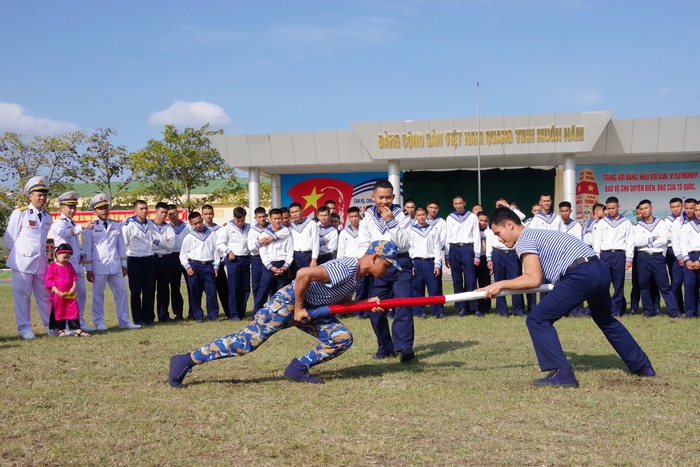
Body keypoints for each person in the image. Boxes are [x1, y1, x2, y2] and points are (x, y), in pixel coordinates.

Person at [168, 240, 399, 388]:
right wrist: (298, 308)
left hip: (311, 309)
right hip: (289, 302)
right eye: (387, 266)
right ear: (376, 258)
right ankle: (186, 359)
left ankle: (297, 368)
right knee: (246, 343)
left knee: (341, 337)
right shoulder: (347, 266)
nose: (387, 272)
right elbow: (303, 275)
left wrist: (365, 303)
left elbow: (340, 298)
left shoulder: (357, 277)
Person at [482, 207, 655, 388]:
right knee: (605, 320)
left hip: (581, 274)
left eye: (498, 233)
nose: (499, 239)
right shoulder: (540, 234)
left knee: (537, 320)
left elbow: (533, 279)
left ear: (509, 224)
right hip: (599, 269)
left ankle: (562, 374)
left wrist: (499, 284)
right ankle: (643, 366)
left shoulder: (524, 239)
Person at [357, 180, 415, 363]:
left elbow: (404, 244)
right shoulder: (367, 219)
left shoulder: (402, 216)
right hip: (377, 264)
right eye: (380, 197)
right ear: (373, 197)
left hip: (401, 263)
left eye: (388, 197)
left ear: (393, 197)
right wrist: (367, 264)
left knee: (403, 304)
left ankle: (405, 348)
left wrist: (391, 222)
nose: (384, 201)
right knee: (375, 308)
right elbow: (363, 245)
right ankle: (385, 347)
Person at [83, 194, 141, 330]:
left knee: (121, 292)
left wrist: (123, 265)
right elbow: (87, 249)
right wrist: (89, 269)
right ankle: (99, 322)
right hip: (99, 266)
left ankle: (124, 320)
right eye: (100, 208)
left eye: (106, 207)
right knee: (98, 295)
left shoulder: (115, 225)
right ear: (95, 211)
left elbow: (121, 246)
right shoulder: (90, 228)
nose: (104, 210)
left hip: (115, 265)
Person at [6, 176, 53, 339]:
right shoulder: (20, 213)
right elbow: (10, 239)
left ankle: (51, 326)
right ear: (30, 196)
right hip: (22, 262)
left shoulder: (48, 216)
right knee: (23, 297)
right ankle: (25, 329)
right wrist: (20, 255)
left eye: (44, 195)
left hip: (40, 262)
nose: (42, 198)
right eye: (38, 194)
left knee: (46, 296)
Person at [51, 191, 95, 331]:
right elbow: (64, 234)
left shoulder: (72, 222)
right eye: (69, 207)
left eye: (74, 207)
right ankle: (65, 326)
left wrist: (81, 252)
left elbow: (76, 242)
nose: (72, 210)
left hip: (76, 264)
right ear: (62, 207)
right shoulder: (59, 222)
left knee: (80, 294)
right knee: (66, 297)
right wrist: (82, 227)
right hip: (64, 266)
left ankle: (79, 322)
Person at [632, 200, 681, 318]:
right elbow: (637, 242)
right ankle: (648, 310)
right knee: (644, 285)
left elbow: (663, 241)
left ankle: (674, 311)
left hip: (658, 257)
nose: (644, 211)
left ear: (651, 208)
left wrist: (647, 241)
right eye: (642, 209)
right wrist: (653, 238)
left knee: (664, 285)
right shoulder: (638, 226)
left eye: (646, 208)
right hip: (643, 257)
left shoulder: (661, 223)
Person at [592, 196, 635, 317]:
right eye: (609, 208)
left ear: (618, 207)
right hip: (605, 255)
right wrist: (596, 257)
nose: (611, 210)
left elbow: (630, 241)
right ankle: (604, 308)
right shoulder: (602, 222)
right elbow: (597, 241)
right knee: (604, 283)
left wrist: (629, 258)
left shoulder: (626, 222)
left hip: (619, 254)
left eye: (613, 208)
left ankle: (616, 310)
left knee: (618, 284)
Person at [180, 211, 220, 322]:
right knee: (195, 292)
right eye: (195, 223)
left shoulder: (211, 233)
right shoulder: (189, 237)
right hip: (195, 265)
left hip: (208, 265)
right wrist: (187, 267)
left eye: (199, 222)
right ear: (191, 224)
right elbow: (183, 254)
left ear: (202, 220)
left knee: (211, 292)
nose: (198, 225)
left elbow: (215, 251)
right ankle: (198, 315)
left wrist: (216, 266)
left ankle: (213, 315)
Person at [445, 195, 481, 317]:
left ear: (464, 203)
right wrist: (447, 255)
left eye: (460, 203)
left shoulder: (472, 217)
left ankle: (474, 307)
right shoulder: (450, 218)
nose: (458, 206)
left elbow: (476, 235)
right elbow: (447, 237)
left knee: (470, 278)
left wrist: (477, 254)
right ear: (453, 204)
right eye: (456, 204)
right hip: (454, 248)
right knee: (457, 279)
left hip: (467, 248)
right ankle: (461, 308)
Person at [122, 200, 157, 325]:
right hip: (134, 259)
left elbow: (153, 240)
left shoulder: (151, 224)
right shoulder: (129, 224)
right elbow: (124, 244)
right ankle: (138, 318)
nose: (144, 211)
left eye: (146, 208)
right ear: (135, 211)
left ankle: (148, 317)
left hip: (148, 259)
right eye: (141, 209)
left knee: (149, 289)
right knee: (136, 291)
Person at [46, 243, 91, 337]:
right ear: (57, 254)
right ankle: (61, 330)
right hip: (59, 295)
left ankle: (77, 330)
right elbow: (50, 281)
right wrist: (57, 292)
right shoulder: (52, 266)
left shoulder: (69, 265)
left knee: (73, 310)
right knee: (59, 311)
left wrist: (73, 287)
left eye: (68, 257)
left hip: (70, 293)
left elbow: (74, 277)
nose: (66, 259)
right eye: (64, 257)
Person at [255, 208, 294, 311]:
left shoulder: (286, 234)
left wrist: (286, 266)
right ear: (270, 219)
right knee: (263, 290)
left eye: (279, 218)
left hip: (282, 265)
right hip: (269, 266)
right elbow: (263, 253)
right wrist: (270, 267)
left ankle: (277, 314)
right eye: (275, 218)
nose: (277, 221)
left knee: (280, 292)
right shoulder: (264, 235)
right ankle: (257, 313)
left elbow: (290, 252)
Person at [409, 206, 444, 319]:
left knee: (434, 288)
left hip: (430, 262)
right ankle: (420, 312)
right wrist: (411, 265)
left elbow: (437, 248)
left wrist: (437, 264)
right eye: (419, 215)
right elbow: (410, 249)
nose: (421, 217)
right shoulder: (411, 231)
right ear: (415, 216)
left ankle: (438, 311)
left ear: (426, 215)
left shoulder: (433, 230)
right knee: (417, 289)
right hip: (417, 262)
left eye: (423, 215)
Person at [217, 207, 251, 321]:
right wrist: (228, 251)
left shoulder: (248, 228)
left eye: (242, 220)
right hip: (233, 260)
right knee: (234, 287)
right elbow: (219, 244)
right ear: (233, 218)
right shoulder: (227, 228)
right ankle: (234, 314)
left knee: (245, 287)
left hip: (246, 258)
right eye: (238, 221)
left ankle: (242, 312)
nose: (240, 223)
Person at [202, 204, 230, 319]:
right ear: (202, 215)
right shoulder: (199, 230)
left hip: (219, 264)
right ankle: (209, 314)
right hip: (206, 264)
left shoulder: (220, 229)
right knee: (209, 292)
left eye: (210, 214)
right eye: (206, 214)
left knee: (223, 290)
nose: (208, 216)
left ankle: (229, 313)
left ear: (213, 214)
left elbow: (224, 245)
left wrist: (221, 262)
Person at [152, 202, 175, 322]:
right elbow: (148, 243)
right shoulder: (149, 226)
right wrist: (163, 243)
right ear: (156, 212)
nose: (164, 214)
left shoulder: (169, 227)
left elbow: (171, 246)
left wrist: (157, 242)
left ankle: (163, 315)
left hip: (165, 260)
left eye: (166, 212)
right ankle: (149, 316)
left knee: (164, 289)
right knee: (150, 289)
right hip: (152, 259)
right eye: (162, 212)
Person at [166, 204, 190, 321]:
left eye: (174, 213)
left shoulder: (187, 226)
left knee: (191, 286)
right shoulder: (166, 227)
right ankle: (178, 313)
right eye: (169, 214)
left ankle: (193, 312)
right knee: (175, 287)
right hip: (172, 257)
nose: (172, 216)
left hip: (186, 256)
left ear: (178, 213)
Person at [247, 207, 272, 313]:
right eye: (259, 217)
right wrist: (260, 243)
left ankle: (270, 309)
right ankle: (258, 309)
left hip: (269, 258)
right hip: (257, 259)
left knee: (269, 284)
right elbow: (251, 247)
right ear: (255, 218)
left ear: (266, 216)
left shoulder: (271, 228)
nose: (262, 219)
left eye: (263, 216)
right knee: (257, 285)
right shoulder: (253, 230)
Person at [680, 200, 700, 318]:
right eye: (696, 210)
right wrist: (687, 260)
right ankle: (689, 313)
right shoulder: (687, 225)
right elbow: (683, 244)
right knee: (689, 286)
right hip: (690, 257)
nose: (698, 213)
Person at [289, 202, 319, 278]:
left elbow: (316, 242)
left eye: (296, 211)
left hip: (308, 255)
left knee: (310, 279)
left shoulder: (311, 223)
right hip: (296, 257)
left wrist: (314, 259)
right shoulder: (291, 227)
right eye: (292, 212)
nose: (295, 214)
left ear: (301, 211)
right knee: (297, 279)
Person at [665, 197, 685, 311]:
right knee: (675, 280)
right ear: (670, 208)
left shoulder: (687, 219)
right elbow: (667, 236)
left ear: (681, 206)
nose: (675, 209)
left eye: (677, 206)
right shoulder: (667, 220)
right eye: (673, 207)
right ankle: (677, 306)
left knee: (689, 280)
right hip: (671, 251)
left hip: (686, 250)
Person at [475, 211, 492, 314]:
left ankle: (486, 307)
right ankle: (473, 307)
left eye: (485, 221)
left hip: (485, 258)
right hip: (475, 258)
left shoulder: (489, 230)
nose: (483, 223)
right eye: (481, 220)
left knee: (485, 283)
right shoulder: (473, 230)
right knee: (472, 283)